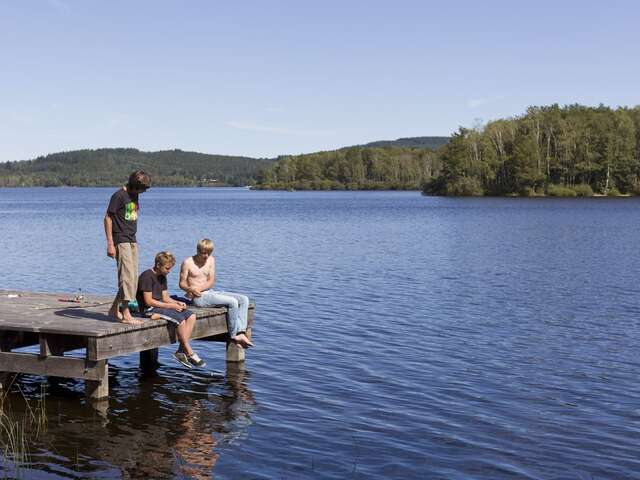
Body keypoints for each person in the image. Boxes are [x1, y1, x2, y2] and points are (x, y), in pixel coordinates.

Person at [179, 239, 253, 349]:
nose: (206, 256)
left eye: (209, 253)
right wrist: (191, 289)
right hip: (198, 298)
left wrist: (199, 288)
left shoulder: (211, 260)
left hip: (209, 292)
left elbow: (211, 281)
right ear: (198, 250)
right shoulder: (187, 262)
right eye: (204, 253)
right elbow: (181, 283)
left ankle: (241, 331)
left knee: (244, 299)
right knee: (232, 302)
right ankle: (234, 335)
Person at [137, 251, 206, 368]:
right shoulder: (147, 276)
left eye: (170, 268)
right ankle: (189, 352)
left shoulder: (163, 276)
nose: (169, 271)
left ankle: (180, 351)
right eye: (167, 268)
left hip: (160, 306)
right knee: (180, 320)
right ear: (158, 265)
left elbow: (165, 297)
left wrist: (177, 302)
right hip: (149, 309)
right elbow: (148, 302)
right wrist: (171, 306)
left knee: (191, 316)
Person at [104, 170, 151, 325]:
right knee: (126, 276)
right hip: (120, 240)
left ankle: (113, 309)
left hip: (132, 239)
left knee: (132, 277)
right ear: (134, 186)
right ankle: (126, 314)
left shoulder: (133, 195)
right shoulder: (118, 196)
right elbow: (107, 218)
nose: (142, 193)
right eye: (141, 189)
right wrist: (110, 243)